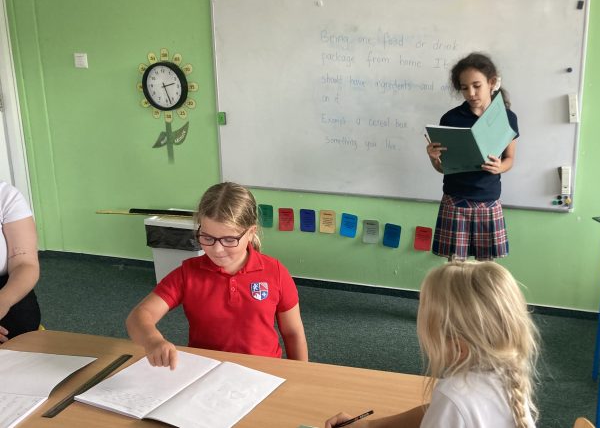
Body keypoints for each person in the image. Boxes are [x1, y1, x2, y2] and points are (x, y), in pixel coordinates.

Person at [325, 261, 540, 428]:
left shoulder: (453, 396)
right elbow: (436, 410)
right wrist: (370, 425)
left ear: (458, 347)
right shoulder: (506, 374)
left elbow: (449, 407)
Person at [126, 182, 308, 368]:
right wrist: (153, 340)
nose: (217, 249)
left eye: (229, 239)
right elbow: (139, 316)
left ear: (251, 233)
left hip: (264, 372)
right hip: (206, 369)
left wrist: (302, 374)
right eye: (207, 238)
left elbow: (293, 333)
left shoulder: (275, 272)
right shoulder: (188, 273)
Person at [426, 52, 519, 261]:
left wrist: (499, 167)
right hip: (455, 199)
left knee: (486, 268)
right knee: (455, 266)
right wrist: (433, 158)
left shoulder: (506, 118)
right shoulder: (450, 118)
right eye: (464, 88)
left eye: (477, 86)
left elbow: (510, 159)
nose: (471, 93)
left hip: (488, 199)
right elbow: (443, 168)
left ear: (491, 82)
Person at [0, 181, 41, 343]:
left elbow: (24, 264)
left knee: (19, 326)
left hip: (4, 283)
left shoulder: (6, 195)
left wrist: (3, 301)